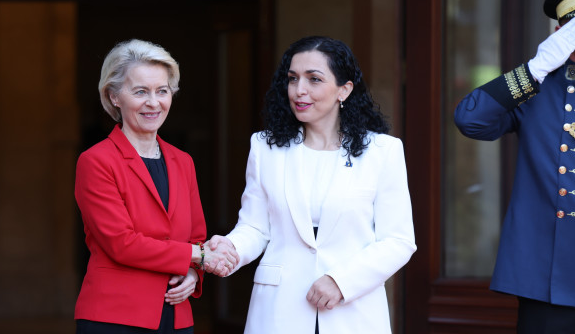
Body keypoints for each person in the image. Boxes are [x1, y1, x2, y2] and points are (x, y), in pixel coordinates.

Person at [205, 36, 416, 334]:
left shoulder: (383, 151)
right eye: (293, 79)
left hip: (353, 311)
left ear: (344, 90)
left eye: (314, 79)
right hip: (278, 310)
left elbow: (398, 240)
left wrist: (341, 282)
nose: (299, 90)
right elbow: (255, 227)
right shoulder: (265, 147)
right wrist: (231, 248)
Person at [454, 0, 575, 332]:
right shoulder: (537, 89)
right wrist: (535, 68)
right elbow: (470, 120)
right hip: (552, 285)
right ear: (562, 32)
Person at [74, 39, 238, 334]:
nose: (154, 102)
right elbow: (121, 244)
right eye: (140, 92)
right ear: (114, 96)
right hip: (115, 317)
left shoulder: (183, 161)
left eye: (162, 91)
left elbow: (196, 237)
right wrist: (198, 257)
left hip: (176, 315)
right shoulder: (96, 160)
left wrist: (193, 272)